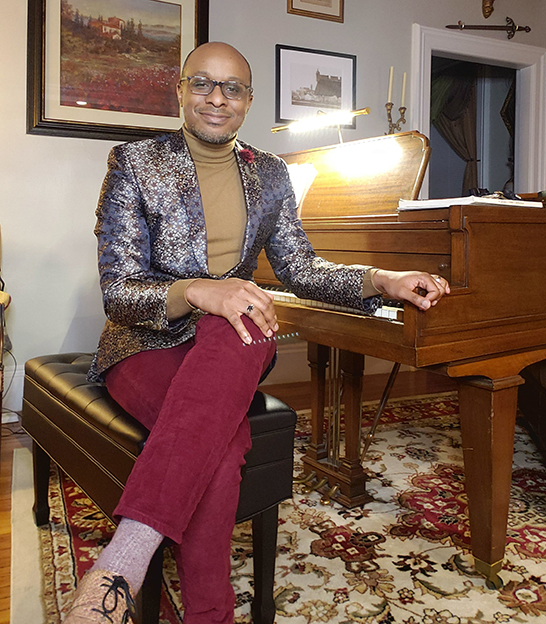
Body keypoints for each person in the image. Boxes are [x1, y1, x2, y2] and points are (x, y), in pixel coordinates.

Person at [64, 42, 450, 624]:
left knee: (242, 319)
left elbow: (301, 269)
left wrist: (383, 278)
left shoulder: (270, 174)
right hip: (144, 340)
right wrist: (198, 290)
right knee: (221, 448)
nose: (216, 99)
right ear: (180, 90)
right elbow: (119, 290)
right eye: (202, 84)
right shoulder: (134, 162)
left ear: (247, 100)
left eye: (233, 88)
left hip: (231, 342)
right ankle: (193, 602)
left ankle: (121, 561)